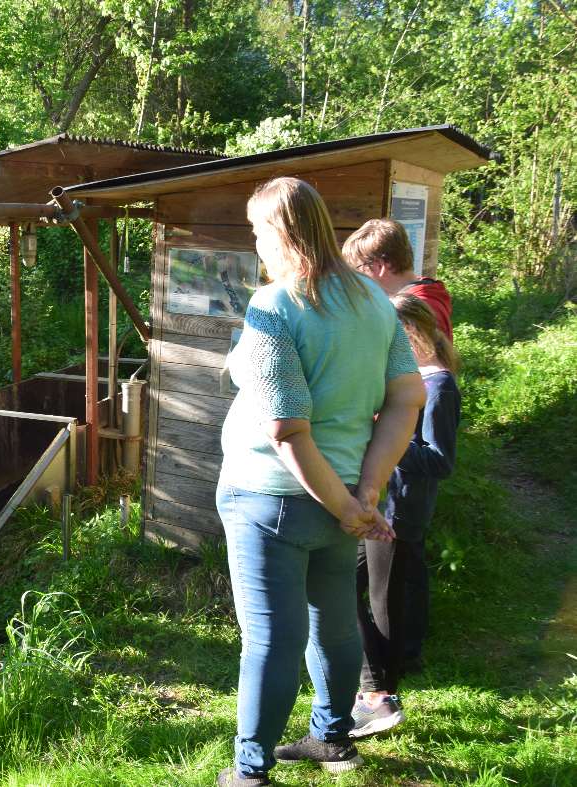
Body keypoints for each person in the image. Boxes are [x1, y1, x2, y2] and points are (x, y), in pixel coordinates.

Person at [214, 178, 426, 787]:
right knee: (333, 623)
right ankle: (333, 738)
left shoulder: (274, 305)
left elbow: (285, 427)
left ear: (278, 232)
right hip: (341, 503)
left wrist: (345, 502)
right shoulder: (372, 300)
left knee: (271, 639)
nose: (255, 243)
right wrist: (363, 496)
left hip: (270, 499)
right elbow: (407, 396)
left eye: (257, 231)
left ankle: (249, 772)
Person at [351, 294, 461, 738]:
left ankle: (380, 694)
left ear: (410, 335)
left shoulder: (439, 387)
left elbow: (440, 460)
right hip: (383, 504)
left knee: (381, 601)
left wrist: (387, 432)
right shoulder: (417, 380)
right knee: (347, 588)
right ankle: (375, 688)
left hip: (401, 510)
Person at [342, 218, 454, 341]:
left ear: (380, 266)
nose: (356, 279)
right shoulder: (427, 293)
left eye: (357, 270)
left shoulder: (412, 311)